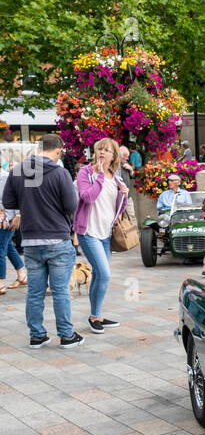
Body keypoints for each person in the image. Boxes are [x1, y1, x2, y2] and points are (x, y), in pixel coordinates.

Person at [1, 134, 84, 347]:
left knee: (35, 292)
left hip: (30, 241)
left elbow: (8, 200)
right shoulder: (59, 172)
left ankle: (37, 335)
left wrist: (27, 204)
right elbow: (71, 205)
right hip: (57, 239)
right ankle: (66, 335)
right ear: (58, 150)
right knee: (60, 291)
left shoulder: (18, 170)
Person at [74, 138, 130, 334]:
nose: (102, 153)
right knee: (104, 273)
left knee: (99, 274)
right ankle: (94, 316)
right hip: (88, 232)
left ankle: (95, 315)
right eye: (99, 149)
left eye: (106, 150)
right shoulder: (85, 173)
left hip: (105, 234)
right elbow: (87, 197)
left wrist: (124, 195)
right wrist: (98, 176)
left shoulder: (116, 178)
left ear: (113, 155)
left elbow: (118, 209)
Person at [0, 201, 26, 295]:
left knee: (1, 249)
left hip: (6, 218)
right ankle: (21, 275)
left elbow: (17, 194)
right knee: (8, 246)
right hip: (6, 217)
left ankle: (1, 284)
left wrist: (18, 215)